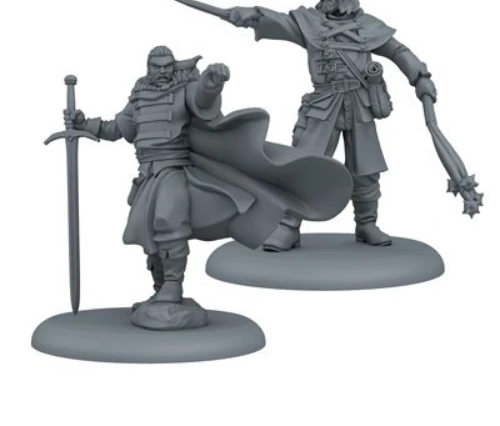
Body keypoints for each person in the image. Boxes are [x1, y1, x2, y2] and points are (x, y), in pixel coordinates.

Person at [68, 45, 352, 329]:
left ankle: (173, 287)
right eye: (157, 67)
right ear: (148, 68)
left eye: (167, 66)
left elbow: (202, 99)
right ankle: (160, 291)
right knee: (148, 234)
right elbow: (118, 129)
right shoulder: (140, 97)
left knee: (168, 223)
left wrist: (212, 82)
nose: (163, 72)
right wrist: (85, 124)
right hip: (146, 175)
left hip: (172, 170)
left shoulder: (182, 90)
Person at [221, 0, 437, 251]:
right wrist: (252, 15)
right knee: (303, 166)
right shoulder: (309, 23)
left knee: (366, 168)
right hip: (324, 104)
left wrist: (420, 77)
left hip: (360, 104)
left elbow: (397, 51)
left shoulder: (368, 26)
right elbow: (280, 22)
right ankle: (288, 227)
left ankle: (367, 224)